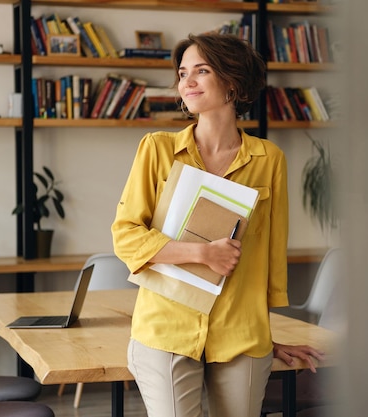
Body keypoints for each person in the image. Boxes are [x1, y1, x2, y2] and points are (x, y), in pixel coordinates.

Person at [111, 32, 324, 417]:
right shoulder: (156, 148)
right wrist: (202, 253)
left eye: (201, 71)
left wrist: (267, 336)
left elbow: (271, 258)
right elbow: (126, 237)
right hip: (166, 330)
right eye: (182, 73)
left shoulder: (268, 158)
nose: (186, 82)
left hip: (243, 335)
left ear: (232, 82)